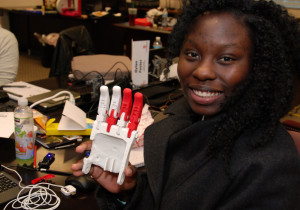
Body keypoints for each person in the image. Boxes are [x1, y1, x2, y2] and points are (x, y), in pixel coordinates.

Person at [72, 0, 300, 209]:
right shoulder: (180, 124)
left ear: (259, 68)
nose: (202, 71)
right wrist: (126, 192)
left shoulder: (268, 165)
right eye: (192, 54)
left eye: (227, 58)